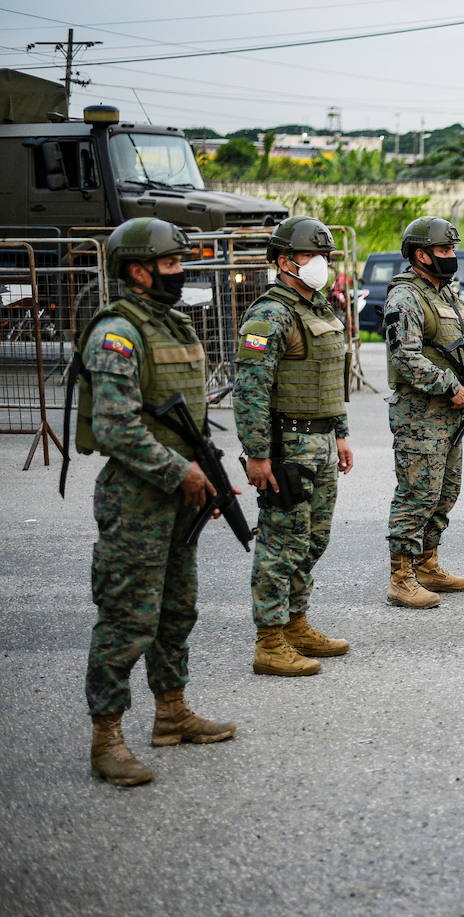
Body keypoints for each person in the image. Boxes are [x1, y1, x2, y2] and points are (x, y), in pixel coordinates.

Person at [74, 217, 234, 786]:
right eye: (171, 264)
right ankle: (107, 737)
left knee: (175, 610)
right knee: (126, 618)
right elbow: (116, 427)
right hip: (138, 496)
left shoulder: (173, 324)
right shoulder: (117, 332)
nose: (180, 272)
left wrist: (207, 473)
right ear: (138, 269)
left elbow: (186, 420)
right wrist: (180, 473)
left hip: (182, 488)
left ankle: (172, 714)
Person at [236, 216, 352, 677]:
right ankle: (269, 640)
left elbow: (331, 378)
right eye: (312, 256)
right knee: (280, 543)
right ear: (286, 261)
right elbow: (251, 390)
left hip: (321, 438)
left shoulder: (319, 308)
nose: (321, 264)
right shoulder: (269, 314)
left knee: (313, 539)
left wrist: (340, 431)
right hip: (288, 444)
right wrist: (257, 453)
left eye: (325, 256)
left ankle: (297, 623)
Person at [382, 217, 464, 608]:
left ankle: (427, 563)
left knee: (446, 491)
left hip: (450, 412)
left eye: (453, 249)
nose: (452, 257)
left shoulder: (444, 294)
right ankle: (401, 576)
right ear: (421, 255)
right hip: (420, 412)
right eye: (444, 250)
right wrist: (448, 386)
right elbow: (404, 355)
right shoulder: (406, 297)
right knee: (417, 493)